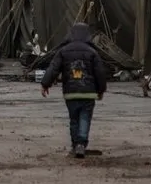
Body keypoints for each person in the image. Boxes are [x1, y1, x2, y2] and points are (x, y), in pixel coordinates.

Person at [40, 22, 107, 158]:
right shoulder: (92, 52)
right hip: (88, 93)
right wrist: (101, 90)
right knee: (85, 117)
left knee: (74, 118)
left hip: (70, 93)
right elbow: (100, 73)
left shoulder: (63, 51)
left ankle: (75, 143)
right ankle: (81, 143)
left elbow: (53, 69)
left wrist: (44, 84)